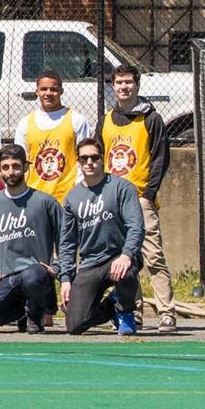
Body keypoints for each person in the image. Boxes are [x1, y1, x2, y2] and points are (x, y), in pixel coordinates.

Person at [101, 62, 176, 332]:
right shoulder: (107, 118)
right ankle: (132, 312)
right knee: (124, 260)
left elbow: (160, 158)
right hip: (113, 201)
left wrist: (148, 193)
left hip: (140, 199)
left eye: (128, 82)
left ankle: (166, 312)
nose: (124, 87)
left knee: (153, 257)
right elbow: (101, 158)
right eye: (119, 83)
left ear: (137, 85)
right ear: (113, 86)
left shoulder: (150, 118)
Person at [58, 137, 146, 337]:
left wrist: (127, 255)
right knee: (74, 325)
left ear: (102, 159)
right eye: (84, 158)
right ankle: (112, 305)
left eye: (94, 157)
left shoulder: (121, 188)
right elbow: (67, 242)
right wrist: (66, 278)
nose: (89, 162)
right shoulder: (72, 197)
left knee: (126, 271)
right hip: (91, 263)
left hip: (119, 256)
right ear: (78, 162)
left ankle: (125, 312)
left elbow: (136, 227)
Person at [0, 144, 63, 333]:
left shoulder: (45, 202)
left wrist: (57, 267)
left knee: (32, 276)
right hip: (7, 279)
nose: (11, 171)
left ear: (25, 167)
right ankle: (22, 311)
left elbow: (66, 239)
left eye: (16, 166)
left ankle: (35, 313)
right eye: (5, 167)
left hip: (37, 275)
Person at [16, 71, 86, 203]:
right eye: (43, 89)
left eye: (53, 89)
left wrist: (79, 191)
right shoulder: (25, 123)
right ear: (37, 92)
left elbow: (83, 159)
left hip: (67, 196)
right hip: (35, 197)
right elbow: (20, 162)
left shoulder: (77, 120)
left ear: (61, 91)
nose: (48, 93)